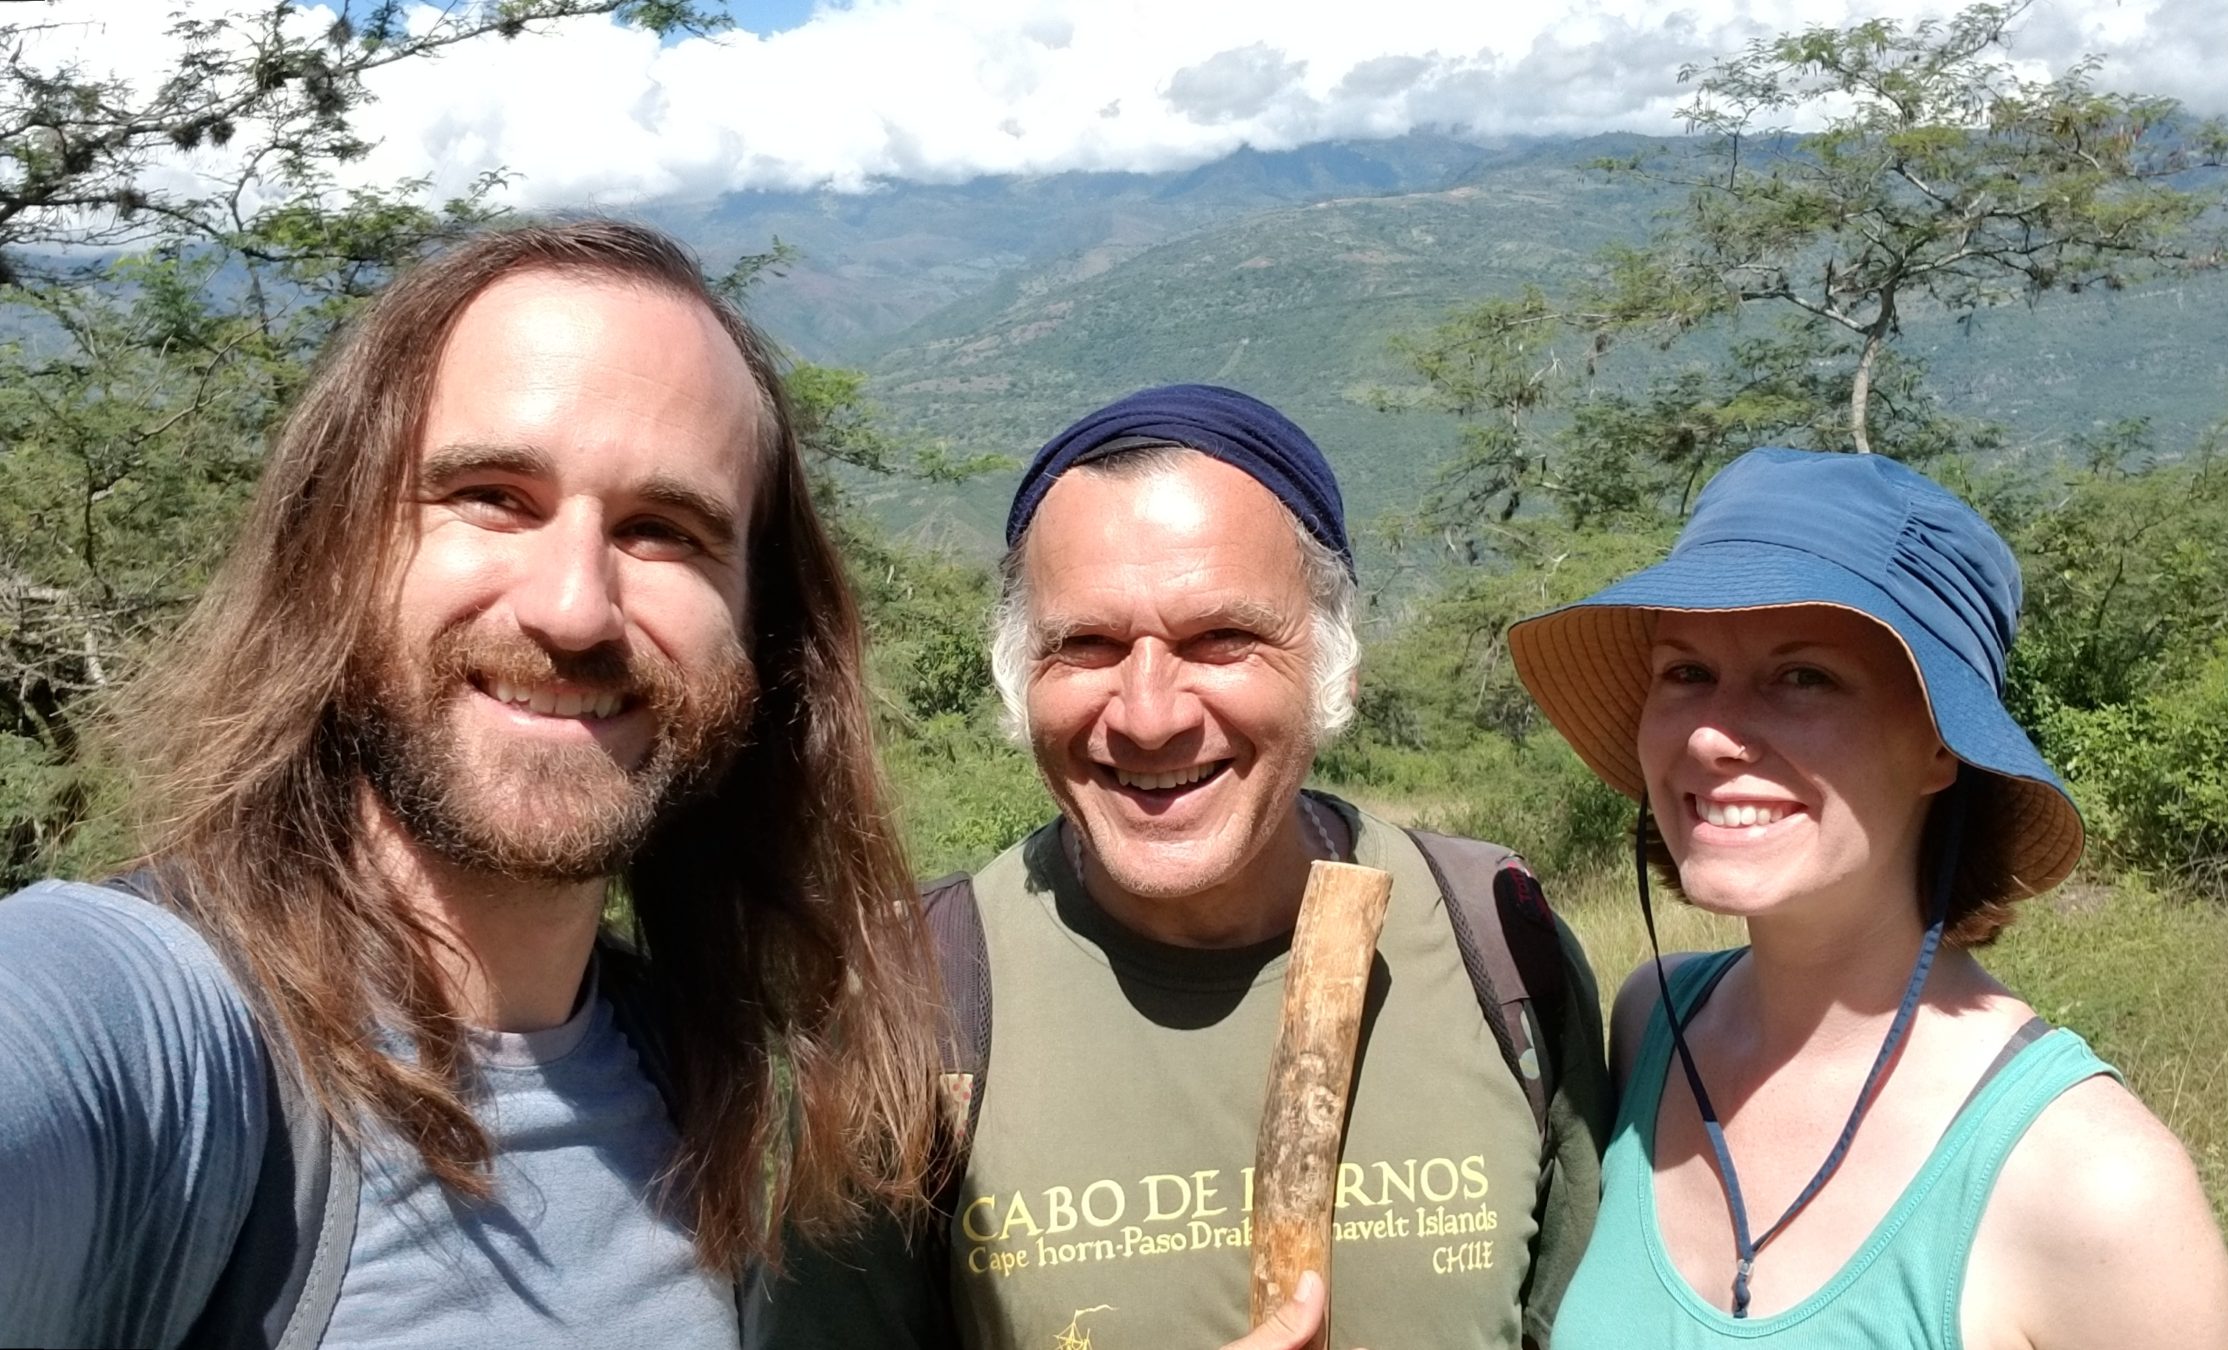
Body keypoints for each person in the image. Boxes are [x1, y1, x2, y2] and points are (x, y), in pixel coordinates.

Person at [0, 220, 945, 1347]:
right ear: (337, 554)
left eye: (665, 531)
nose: (572, 607)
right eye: (492, 496)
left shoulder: (712, 1093)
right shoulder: (154, 1035)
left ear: (760, 630)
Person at [776, 385, 1611, 1350]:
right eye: (1083, 645)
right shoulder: (906, 998)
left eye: (1222, 639)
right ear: (1017, 676)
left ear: (1333, 663)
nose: (1148, 713)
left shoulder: (1499, 944)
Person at [1507, 448, 2228, 1347]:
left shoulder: (2094, 1188)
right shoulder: (1652, 1019)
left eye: (1804, 676)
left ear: (1942, 747)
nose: (1709, 735)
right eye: (1685, 672)